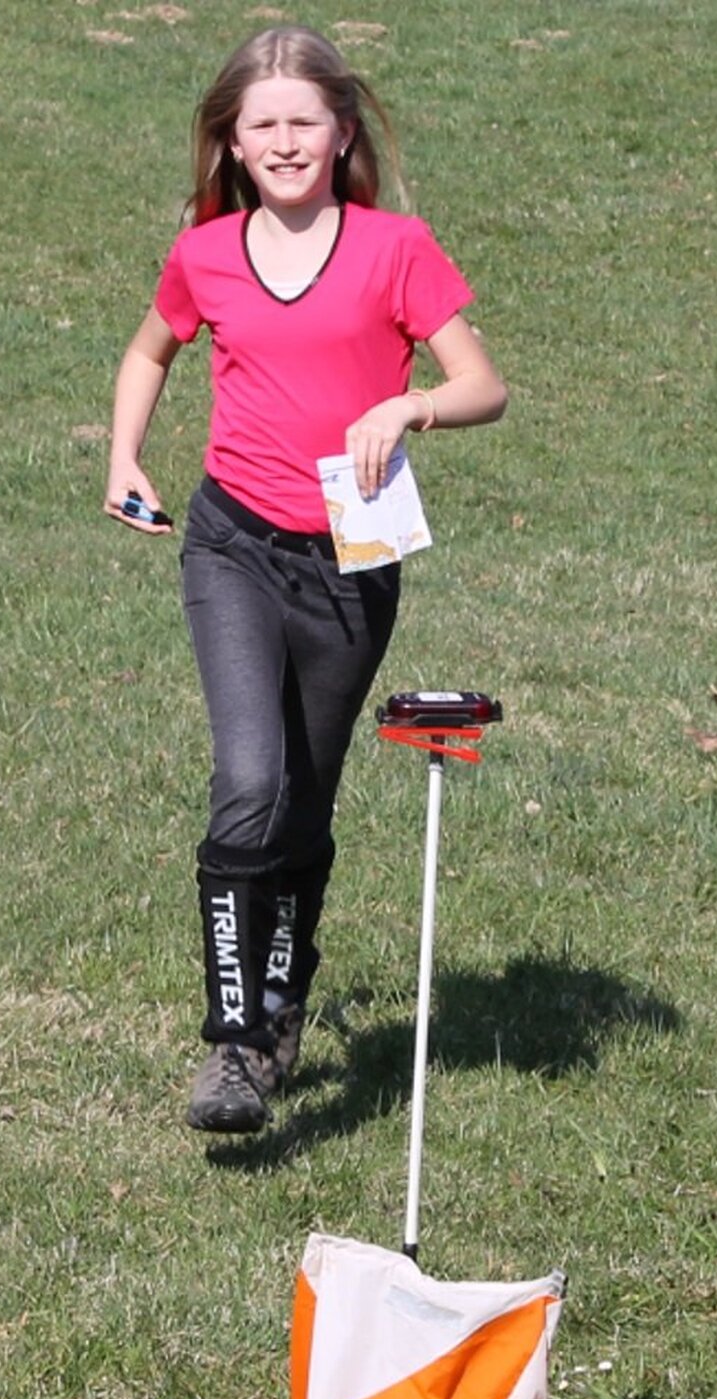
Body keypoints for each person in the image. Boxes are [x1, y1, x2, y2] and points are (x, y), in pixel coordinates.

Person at [104, 24, 507, 1135]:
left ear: (339, 131)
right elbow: (151, 349)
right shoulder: (206, 252)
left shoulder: (394, 248)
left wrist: (408, 401)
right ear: (231, 142)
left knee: (304, 801)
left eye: (302, 122)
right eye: (259, 124)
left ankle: (285, 994)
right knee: (247, 776)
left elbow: (482, 383)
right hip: (231, 544)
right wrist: (123, 454)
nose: (282, 141)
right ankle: (234, 1042)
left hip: (351, 561)